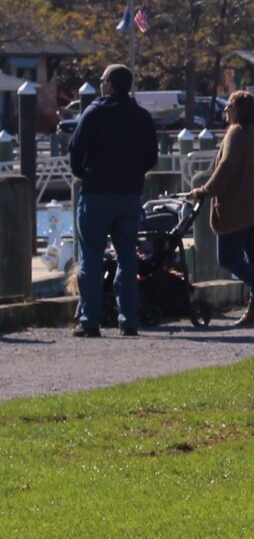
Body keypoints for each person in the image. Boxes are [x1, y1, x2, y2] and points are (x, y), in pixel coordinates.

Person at [66, 64, 159, 337]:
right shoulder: (141, 116)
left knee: (91, 259)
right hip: (130, 195)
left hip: (96, 194)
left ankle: (90, 320)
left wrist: (83, 172)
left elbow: (76, 149)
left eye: (103, 79)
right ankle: (128, 319)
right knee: (127, 258)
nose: (101, 83)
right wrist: (134, 174)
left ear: (109, 84)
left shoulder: (94, 112)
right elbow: (151, 156)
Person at [190, 90, 254, 326]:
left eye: (229, 107)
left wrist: (204, 190)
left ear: (239, 109)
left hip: (240, 208)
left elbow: (226, 168)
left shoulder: (237, 134)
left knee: (228, 257)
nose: (226, 111)